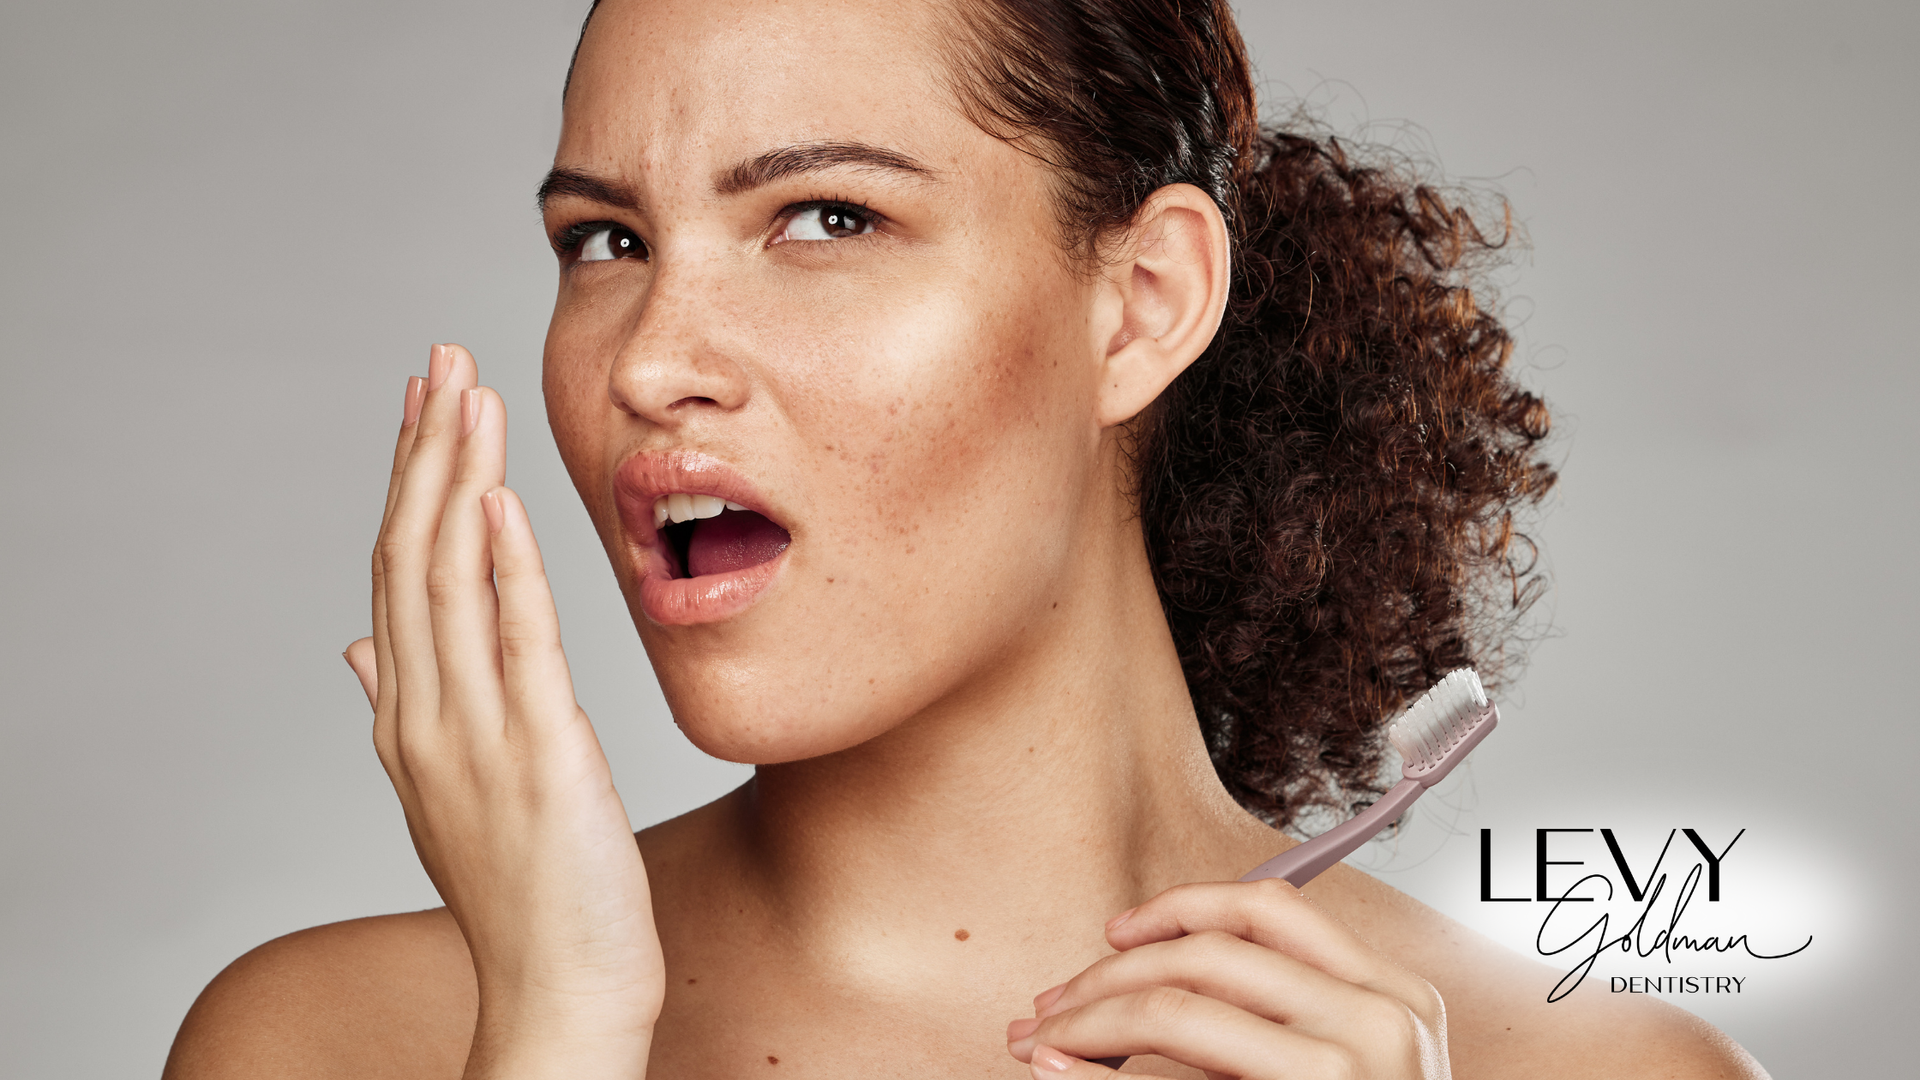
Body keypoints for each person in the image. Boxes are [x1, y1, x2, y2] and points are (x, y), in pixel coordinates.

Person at [163, 0, 1767, 1076]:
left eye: (827, 218)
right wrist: (562, 1031)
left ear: (1140, 307)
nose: (647, 360)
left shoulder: (1592, 1070)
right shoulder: (340, 1039)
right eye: (608, 239)